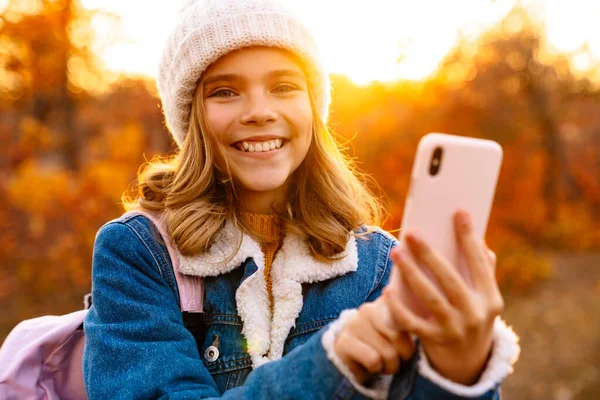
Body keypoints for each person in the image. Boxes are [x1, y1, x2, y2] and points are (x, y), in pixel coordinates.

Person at [82, 0, 520, 398]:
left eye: (284, 86)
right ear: (191, 116)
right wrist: (331, 366)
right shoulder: (140, 253)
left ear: (313, 105)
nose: (259, 111)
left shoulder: (379, 265)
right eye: (225, 91)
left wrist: (460, 373)